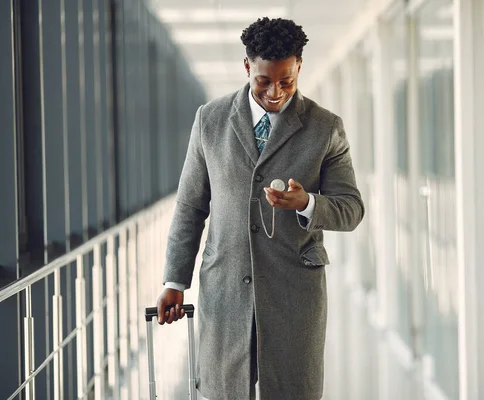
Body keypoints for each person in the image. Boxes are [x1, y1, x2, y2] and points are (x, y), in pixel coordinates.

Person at [155, 17, 364, 400]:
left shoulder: (325, 127)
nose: (275, 92)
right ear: (247, 66)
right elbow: (190, 206)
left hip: (293, 293)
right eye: (264, 81)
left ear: (299, 66)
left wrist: (308, 203)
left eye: (287, 81)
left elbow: (351, 209)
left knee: (291, 390)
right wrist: (174, 281)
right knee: (222, 390)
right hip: (226, 288)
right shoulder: (210, 120)